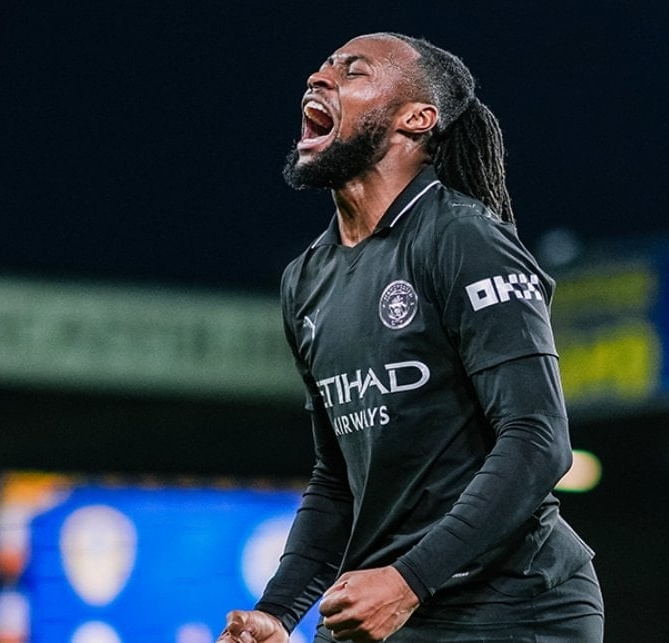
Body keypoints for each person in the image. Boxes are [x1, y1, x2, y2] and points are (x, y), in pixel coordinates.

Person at [218, 33, 603, 642]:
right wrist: (279, 611)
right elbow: (337, 479)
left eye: (353, 71)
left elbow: (538, 439)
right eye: (322, 66)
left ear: (415, 119)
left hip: (507, 605)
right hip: (378, 601)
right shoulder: (305, 279)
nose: (319, 78)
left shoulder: (463, 239)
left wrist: (408, 582)